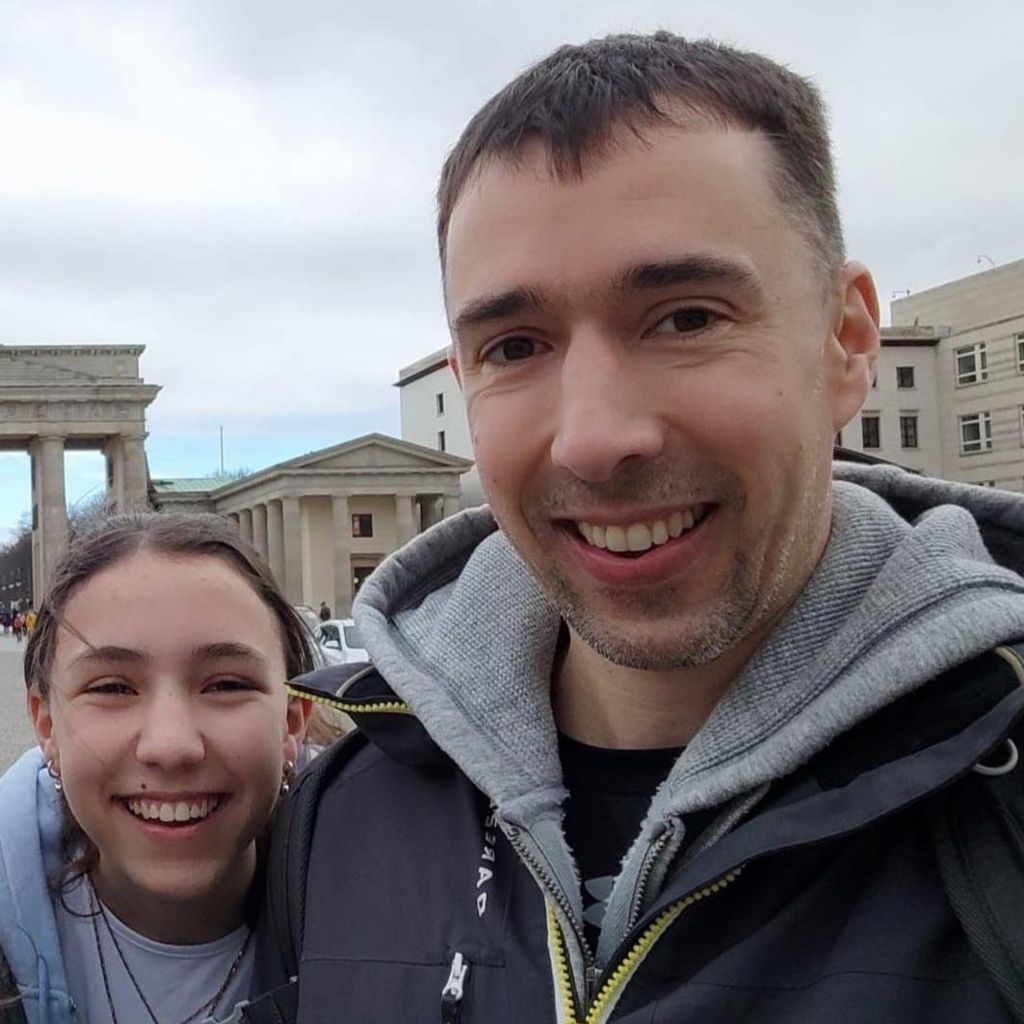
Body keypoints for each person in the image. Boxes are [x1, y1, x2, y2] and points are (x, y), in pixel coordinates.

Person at [252, 32, 1024, 1023]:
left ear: (845, 342)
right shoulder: (344, 809)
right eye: (516, 345)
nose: (593, 437)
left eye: (686, 318)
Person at [0, 513, 314, 1024]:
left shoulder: (411, 923)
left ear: (293, 722)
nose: (171, 746)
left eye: (226, 685)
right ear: (46, 725)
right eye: (112, 688)